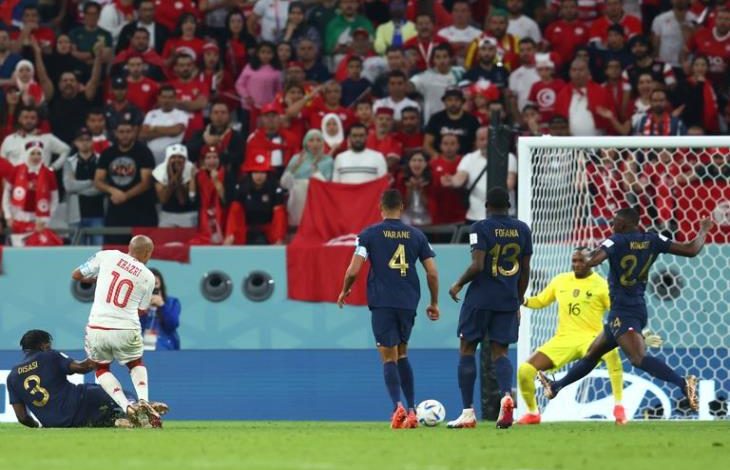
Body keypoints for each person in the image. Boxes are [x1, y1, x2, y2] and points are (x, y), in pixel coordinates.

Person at [538, 209, 715, 414]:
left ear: (622, 225)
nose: (612, 226)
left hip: (624, 312)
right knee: (592, 355)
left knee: (638, 358)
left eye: (614, 222)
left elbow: (593, 261)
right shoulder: (653, 239)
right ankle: (556, 386)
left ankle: (683, 383)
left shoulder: (616, 241)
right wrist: (703, 230)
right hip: (634, 307)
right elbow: (692, 250)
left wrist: (591, 252)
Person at [337, 189, 439, 429]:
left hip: (382, 300)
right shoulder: (417, 235)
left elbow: (353, 270)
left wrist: (345, 290)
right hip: (408, 300)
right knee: (402, 353)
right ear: (402, 207)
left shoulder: (368, 234)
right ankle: (412, 410)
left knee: (387, 356)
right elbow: (432, 273)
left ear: (380, 207)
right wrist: (434, 302)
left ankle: (397, 407)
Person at [447, 187, 532, 429]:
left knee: (467, 349)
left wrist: (458, 284)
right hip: (507, 300)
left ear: (486, 206)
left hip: (481, 299)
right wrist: (517, 300)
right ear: (509, 205)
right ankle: (506, 395)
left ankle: (467, 412)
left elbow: (478, 265)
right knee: (500, 352)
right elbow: (525, 270)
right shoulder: (523, 229)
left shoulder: (480, 228)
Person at [517, 248, 628, 425]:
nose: (577, 264)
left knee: (611, 353)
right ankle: (533, 413)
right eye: (574, 261)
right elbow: (541, 301)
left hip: (591, 338)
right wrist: (523, 300)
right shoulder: (560, 280)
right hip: (564, 339)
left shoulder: (601, 285)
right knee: (525, 370)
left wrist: (634, 331)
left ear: (591, 261)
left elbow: (617, 313)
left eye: (581, 261)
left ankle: (619, 406)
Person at [72, 235, 168, 428]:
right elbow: (142, 310)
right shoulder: (148, 276)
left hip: (97, 327)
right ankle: (143, 401)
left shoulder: (108, 256)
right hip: (126, 327)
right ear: (147, 253)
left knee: (101, 369)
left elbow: (77, 275)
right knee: (135, 363)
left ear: (129, 248)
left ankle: (127, 407)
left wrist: (100, 280)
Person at [6, 329, 132, 428]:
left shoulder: (12, 377)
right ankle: (133, 410)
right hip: (80, 404)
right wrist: (104, 351)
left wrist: (37, 426)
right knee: (120, 394)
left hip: (55, 424)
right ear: (44, 346)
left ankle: (115, 420)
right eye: (49, 346)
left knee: (102, 418)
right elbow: (83, 367)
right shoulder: (49, 356)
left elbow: (22, 417)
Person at [94, 119, 157, 243]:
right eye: (121, 132)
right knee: (115, 251)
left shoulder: (144, 152)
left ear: (134, 132)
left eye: (128, 131)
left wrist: (125, 196)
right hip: (116, 213)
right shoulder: (108, 153)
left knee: (142, 251)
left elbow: (146, 182)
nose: (125, 135)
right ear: (115, 133)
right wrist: (113, 191)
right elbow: (98, 180)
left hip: (142, 211)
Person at [1, 142, 59, 247]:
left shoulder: (48, 173)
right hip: (19, 218)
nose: (36, 157)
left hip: (39, 220)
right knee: (18, 251)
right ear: (27, 154)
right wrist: (8, 216)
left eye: (39, 153)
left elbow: (54, 199)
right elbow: (6, 194)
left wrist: (46, 220)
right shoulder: (16, 170)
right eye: (32, 153)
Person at [280, 129, 334, 227]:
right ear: (306, 143)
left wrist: (315, 168)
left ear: (322, 143)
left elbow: (327, 186)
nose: (315, 144)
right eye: (311, 140)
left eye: (318, 140)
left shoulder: (328, 160)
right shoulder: (297, 158)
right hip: (298, 202)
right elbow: (284, 184)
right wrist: (295, 167)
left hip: (318, 201)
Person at [63, 127, 104, 246]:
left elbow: (102, 187)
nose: (84, 143)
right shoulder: (69, 162)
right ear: (75, 142)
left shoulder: (101, 160)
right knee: (76, 253)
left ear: (92, 141)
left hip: (98, 213)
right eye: (81, 140)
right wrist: (91, 182)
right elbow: (69, 186)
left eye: (87, 139)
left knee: (98, 252)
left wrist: (78, 188)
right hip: (75, 215)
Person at [139, 85, 189, 164]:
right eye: (164, 97)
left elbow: (176, 131)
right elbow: (142, 134)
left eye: (170, 97)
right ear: (158, 98)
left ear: (175, 98)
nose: (167, 100)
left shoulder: (182, 114)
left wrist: (153, 129)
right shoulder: (151, 114)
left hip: (173, 159)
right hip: (151, 157)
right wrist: (168, 131)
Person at [153, 144, 197, 228]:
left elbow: (182, 200)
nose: (177, 160)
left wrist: (178, 176)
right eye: (173, 157)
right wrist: (171, 178)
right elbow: (163, 199)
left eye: (180, 157)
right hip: (167, 214)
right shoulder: (159, 172)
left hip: (188, 214)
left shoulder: (192, 171)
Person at [140, 268, 182, 351]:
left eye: (155, 283)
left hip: (164, 348)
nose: (152, 287)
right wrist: (144, 310)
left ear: (161, 285)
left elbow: (172, 325)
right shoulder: (136, 304)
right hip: (140, 348)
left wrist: (162, 305)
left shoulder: (172, 302)